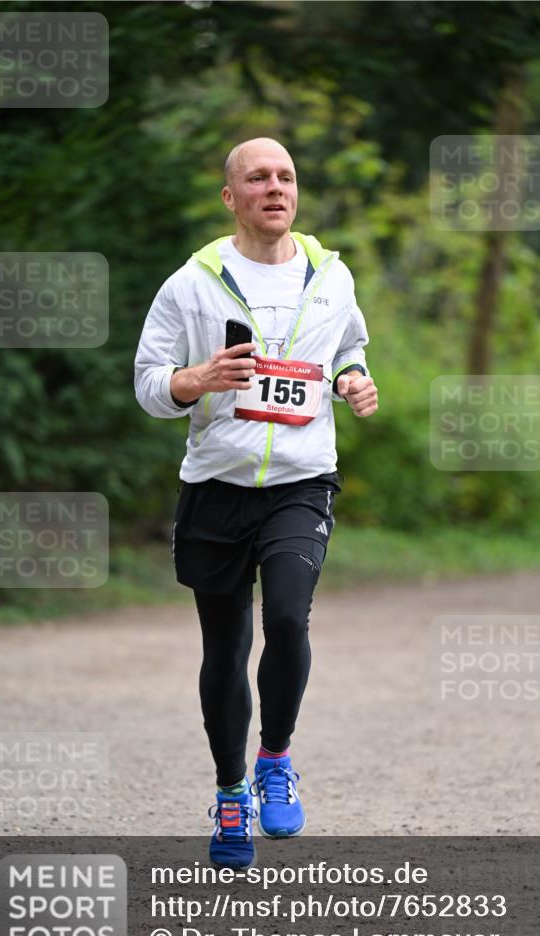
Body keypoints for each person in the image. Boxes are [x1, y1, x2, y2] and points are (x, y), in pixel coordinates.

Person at [134, 137, 378, 867]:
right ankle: (231, 791)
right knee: (226, 647)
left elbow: (349, 348)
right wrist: (193, 380)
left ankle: (274, 760)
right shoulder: (192, 282)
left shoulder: (330, 276)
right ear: (230, 197)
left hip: (301, 480)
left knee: (286, 617)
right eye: (257, 178)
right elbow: (149, 382)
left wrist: (353, 379)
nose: (275, 188)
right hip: (216, 484)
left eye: (286, 177)